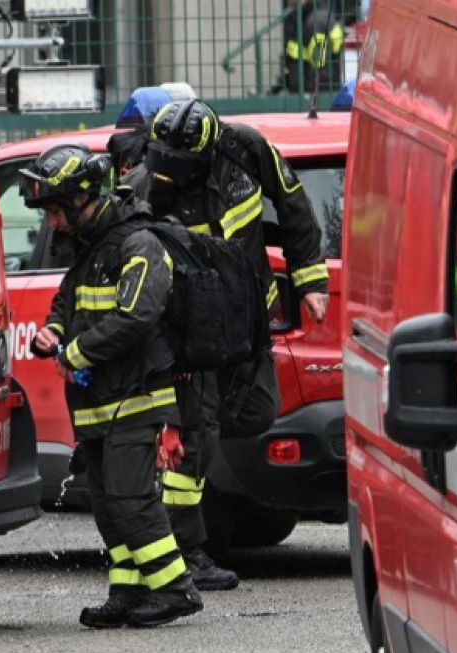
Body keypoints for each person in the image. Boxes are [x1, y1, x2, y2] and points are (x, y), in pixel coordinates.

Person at [131, 98, 331, 590]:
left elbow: (294, 206)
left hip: (246, 320)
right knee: (199, 430)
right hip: (193, 330)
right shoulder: (150, 182)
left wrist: (310, 281)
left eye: (180, 164)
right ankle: (186, 548)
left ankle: (190, 462)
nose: (169, 171)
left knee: (259, 411)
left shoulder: (247, 149)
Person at [21, 144, 204, 629]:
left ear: (84, 199)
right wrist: (54, 333)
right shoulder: (88, 249)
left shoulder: (138, 244)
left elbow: (138, 314)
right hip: (101, 404)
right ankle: (127, 590)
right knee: (106, 505)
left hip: (137, 398)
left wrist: (76, 353)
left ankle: (174, 588)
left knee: (130, 498)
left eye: (56, 210)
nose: (52, 223)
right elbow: (68, 300)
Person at [283, 0, 345, 93]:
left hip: (314, 90)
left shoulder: (315, 21)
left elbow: (319, 63)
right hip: (305, 87)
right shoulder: (297, 16)